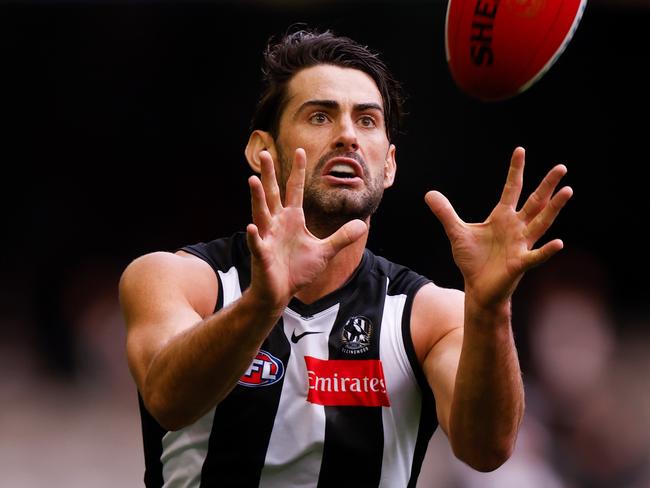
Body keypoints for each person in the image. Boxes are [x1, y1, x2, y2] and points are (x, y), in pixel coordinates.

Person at [118, 27, 573, 487]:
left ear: (389, 164)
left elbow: (486, 451)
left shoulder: (429, 316)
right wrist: (262, 303)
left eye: (368, 121)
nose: (348, 137)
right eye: (320, 117)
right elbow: (167, 399)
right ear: (263, 149)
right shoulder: (175, 278)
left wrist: (491, 310)